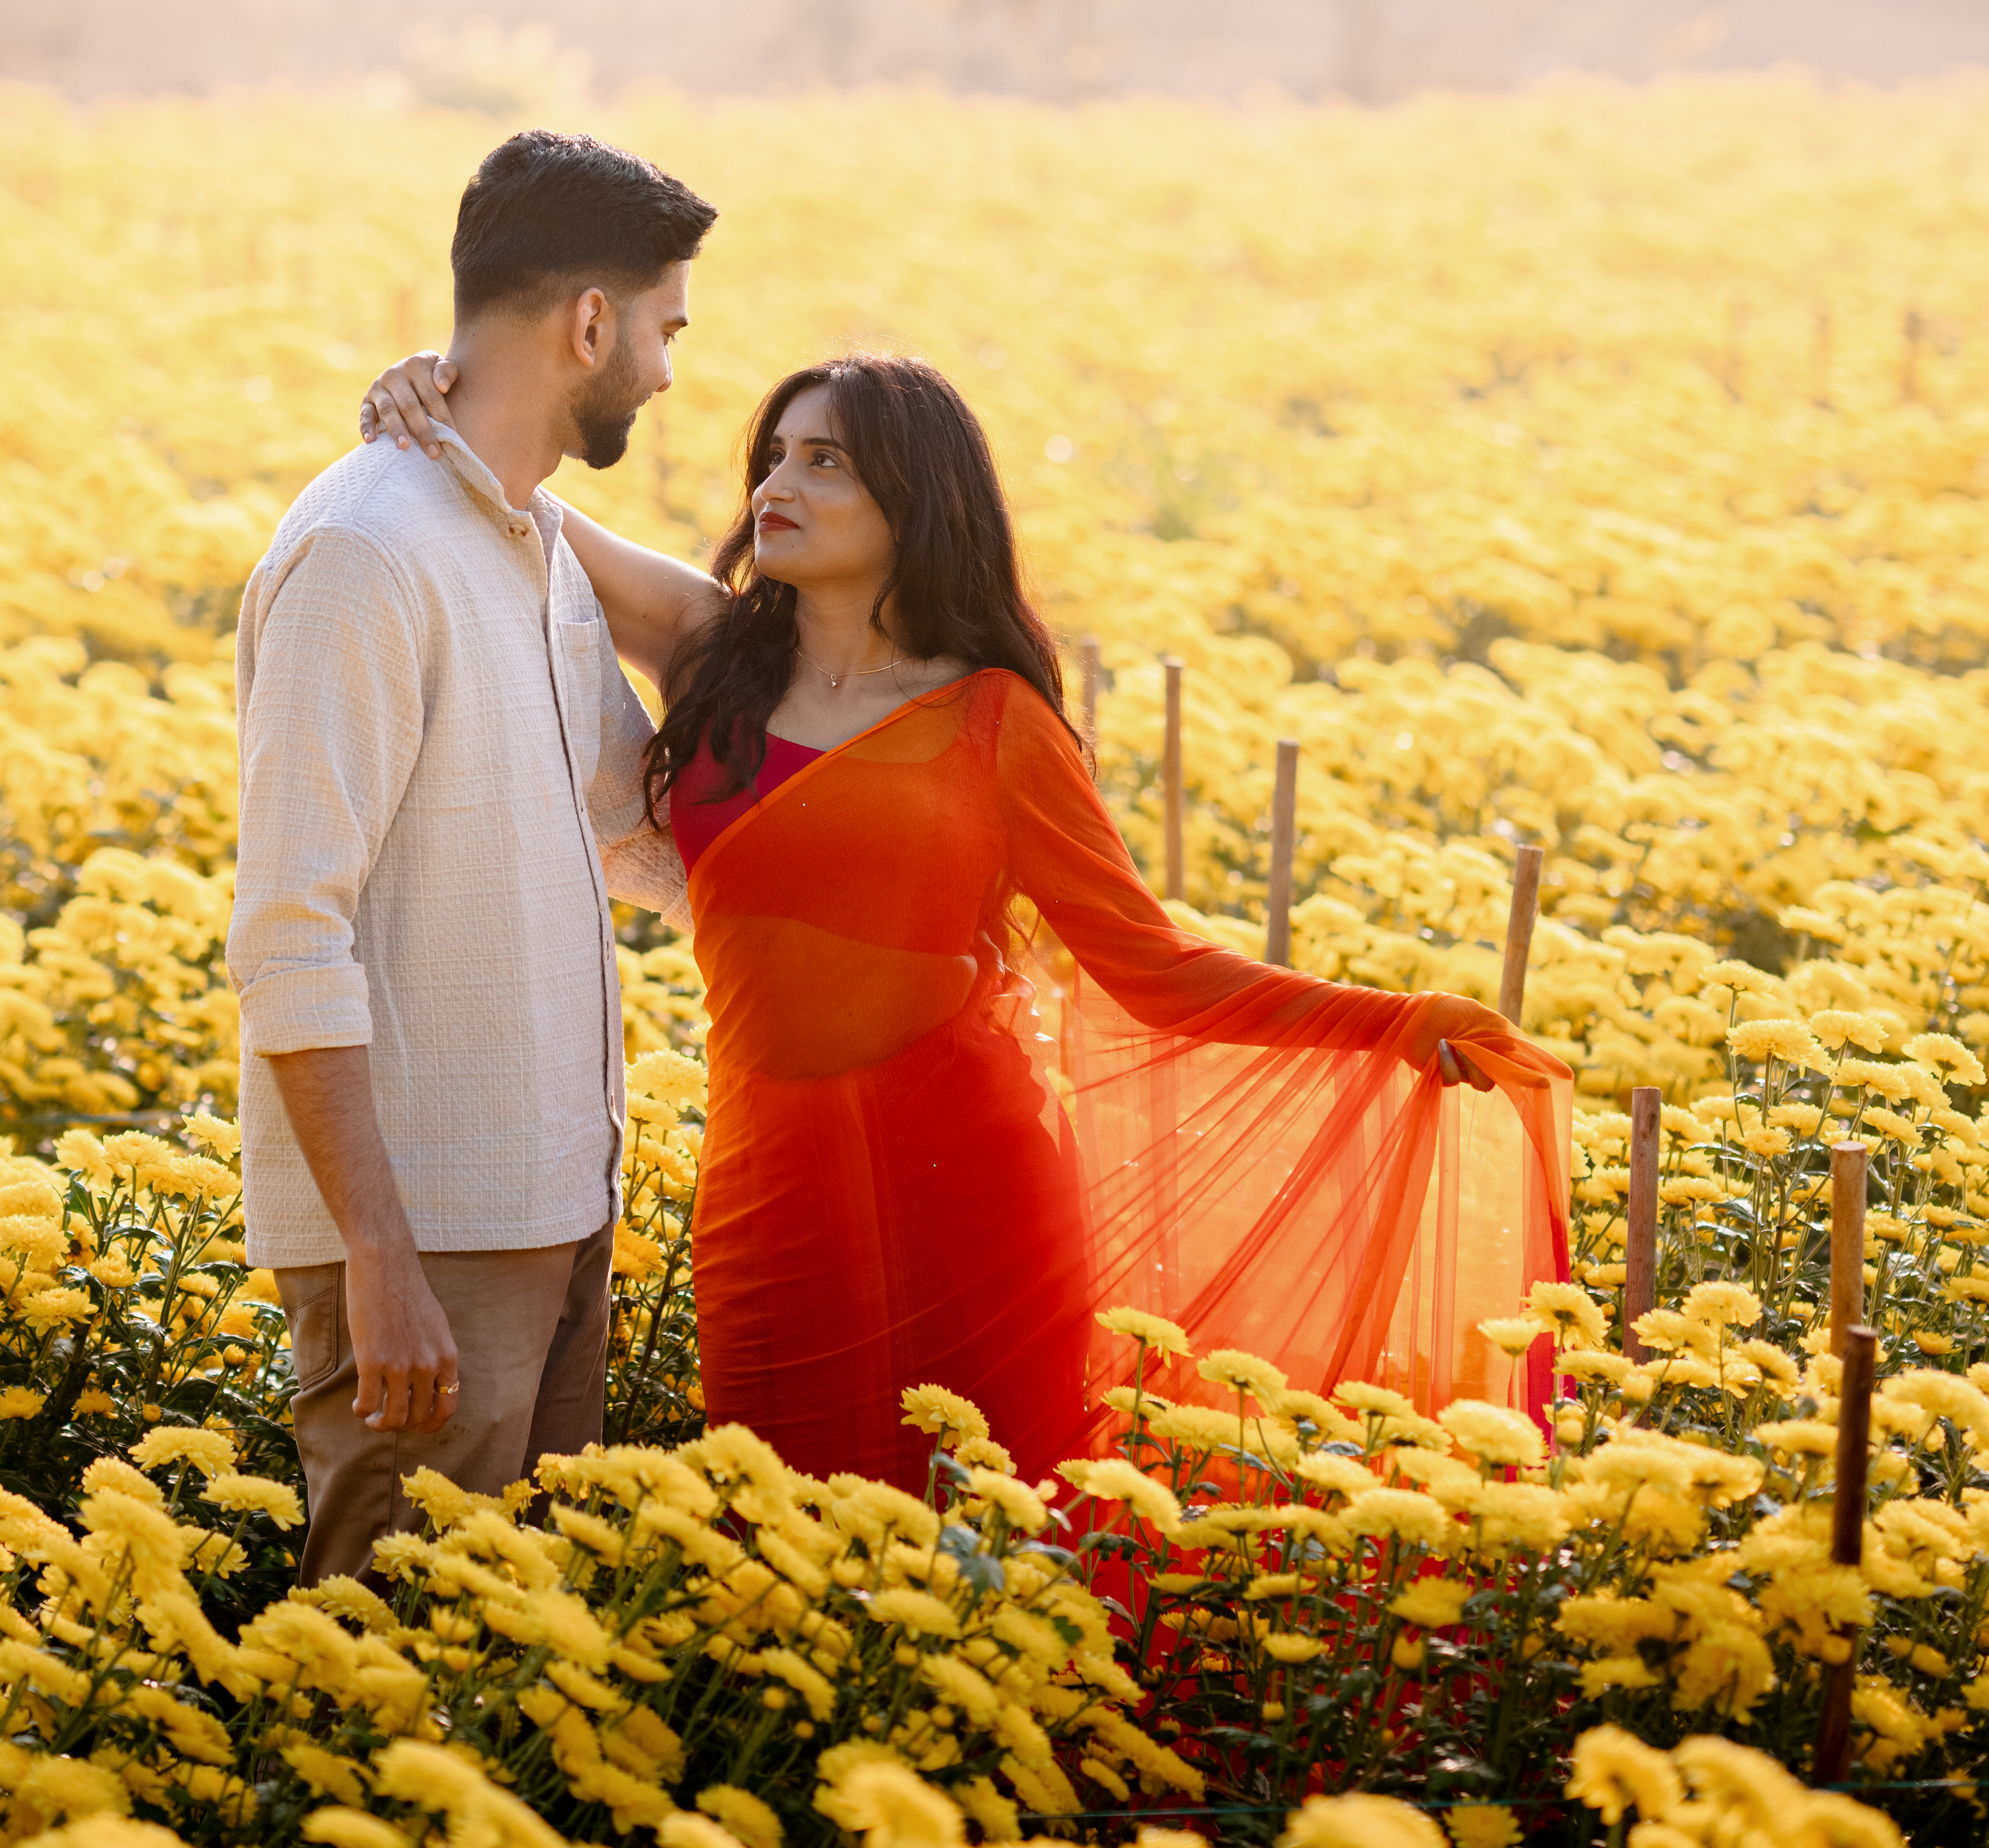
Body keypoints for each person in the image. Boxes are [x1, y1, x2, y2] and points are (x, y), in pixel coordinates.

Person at [360, 344, 1573, 1492]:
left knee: (993, 1542)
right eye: (775, 456)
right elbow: (519, 506)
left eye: (825, 460)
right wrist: (440, 389)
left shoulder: (999, 723)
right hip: (766, 1190)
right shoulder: (711, 653)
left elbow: (1151, 965)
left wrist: (1391, 1024)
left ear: (919, 499)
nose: (780, 485)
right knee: (773, 1540)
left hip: (971, 1192)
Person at [229, 129, 710, 1582]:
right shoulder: (369, 554)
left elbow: (628, 801)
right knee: (376, 1679)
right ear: (587, 324)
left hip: (551, 1202)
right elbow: (286, 935)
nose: (672, 372)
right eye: (665, 328)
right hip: (429, 1234)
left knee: (498, 1654)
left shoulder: (517, 535)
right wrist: (379, 1259)